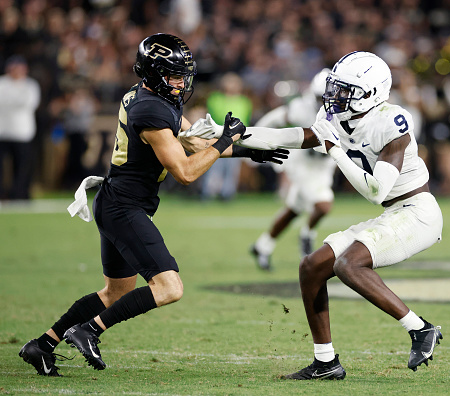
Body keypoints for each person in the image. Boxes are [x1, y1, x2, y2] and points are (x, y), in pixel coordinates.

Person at [18, 33, 288, 377]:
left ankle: (41, 345)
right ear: (155, 73)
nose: (181, 82)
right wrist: (224, 140)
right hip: (124, 207)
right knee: (169, 288)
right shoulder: (151, 109)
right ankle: (89, 330)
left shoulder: (150, 95)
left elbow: (193, 141)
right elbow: (186, 172)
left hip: (117, 202)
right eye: (175, 75)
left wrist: (248, 151)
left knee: (115, 291)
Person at [185, 51, 444, 379]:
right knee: (311, 267)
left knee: (348, 264)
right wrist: (234, 133)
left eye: (344, 89)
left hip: (418, 213)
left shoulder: (392, 122)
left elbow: (375, 190)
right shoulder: (340, 116)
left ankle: (419, 329)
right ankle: (326, 362)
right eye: (335, 86)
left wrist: (334, 148)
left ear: (370, 94)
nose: (333, 95)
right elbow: (292, 136)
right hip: (393, 213)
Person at [250, 68, 337, 270]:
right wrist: (255, 141)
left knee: (294, 210)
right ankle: (307, 235)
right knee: (323, 204)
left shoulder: (345, 108)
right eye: (319, 97)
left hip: (324, 165)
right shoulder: (302, 107)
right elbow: (275, 119)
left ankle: (262, 245)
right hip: (303, 163)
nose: (324, 102)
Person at [200, 72, 253, 201]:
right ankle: (209, 192)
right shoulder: (215, 98)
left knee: (232, 168)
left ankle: (227, 193)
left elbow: (245, 119)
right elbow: (217, 116)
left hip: (237, 139)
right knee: (213, 164)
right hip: (217, 137)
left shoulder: (244, 101)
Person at [0, 55, 41, 200]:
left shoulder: (31, 85)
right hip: (3, 133)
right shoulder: (2, 83)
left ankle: (19, 194)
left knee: (22, 168)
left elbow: (29, 103)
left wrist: (10, 102)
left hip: (23, 133)